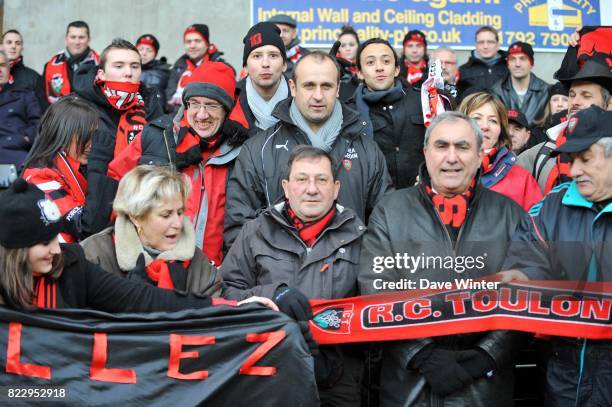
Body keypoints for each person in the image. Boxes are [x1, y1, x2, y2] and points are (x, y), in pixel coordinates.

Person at [359, 111, 526, 407]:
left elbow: (526, 296)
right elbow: (377, 290)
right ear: (426, 152)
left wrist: (484, 357)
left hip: (484, 389)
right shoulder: (390, 210)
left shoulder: (510, 214)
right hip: (408, 386)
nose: (452, 157)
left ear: (479, 156)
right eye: (441, 146)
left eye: (462, 147)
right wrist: (422, 355)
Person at [0, 178, 277, 314]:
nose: (57, 249)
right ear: (15, 248)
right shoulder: (94, 250)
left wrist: (234, 306)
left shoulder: (72, 266)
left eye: (55, 239)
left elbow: (146, 300)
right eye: (44, 243)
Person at [222, 145, 366, 406]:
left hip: (337, 381)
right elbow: (226, 292)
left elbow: (374, 307)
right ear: (286, 187)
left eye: (321, 180)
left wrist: (338, 360)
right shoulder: (255, 232)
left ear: (336, 188)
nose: (312, 189)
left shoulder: (360, 237)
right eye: (302, 179)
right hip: (266, 375)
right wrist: (272, 294)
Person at [500, 105, 612, 407]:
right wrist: (522, 280)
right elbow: (528, 261)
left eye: (586, 159)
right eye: (571, 160)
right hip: (563, 364)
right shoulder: (551, 207)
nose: (574, 171)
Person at [224, 51, 392, 248]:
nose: (318, 96)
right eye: (309, 86)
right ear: (293, 87)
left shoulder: (367, 151)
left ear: (338, 88)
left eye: (326, 86)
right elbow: (239, 229)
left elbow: (385, 226)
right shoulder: (258, 150)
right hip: (279, 277)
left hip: (349, 275)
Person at [108, 62, 247, 266]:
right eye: (194, 103)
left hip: (214, 274)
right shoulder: (155, 136)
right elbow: (116, 189)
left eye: (211, 105)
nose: (201, 114)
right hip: (151, 268)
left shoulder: (243, 152)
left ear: (227, 110)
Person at [81, 165, 222, 297]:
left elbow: (215, 314)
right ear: (136, 217)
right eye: (166, 215)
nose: (178, 224)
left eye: (180, 213)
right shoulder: (94, 255)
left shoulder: (198, 263)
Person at [21, 96, 117, 243]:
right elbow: (86, 227)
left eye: (94, 136)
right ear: (61, 134)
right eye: (84, 136)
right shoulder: (38, 176)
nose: (91, 145)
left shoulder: (84, 168)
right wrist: (99, 166)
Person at [517, 61, 611, 193]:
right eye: (572, 95)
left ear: (609, 104)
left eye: (586, 95)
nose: (574, 102)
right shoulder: (540, 154)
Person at [351, 38, 426, 189]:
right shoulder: (350, 112)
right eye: (370, 62)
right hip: (374, 203)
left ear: (397, 69)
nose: (379, 68)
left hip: (421, 198)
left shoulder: (422, 102)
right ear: (359, 72)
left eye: (386, 61)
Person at [72, 38, 164, 160]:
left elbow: (161, 154)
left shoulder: (151, 103)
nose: (128, 72)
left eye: (135, 66)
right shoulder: (76, 105)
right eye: (119, 66)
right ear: (101, 74)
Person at [458, 92, 542, 211]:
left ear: (501, 130)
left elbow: (535, 226)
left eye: (493, 120)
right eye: (477, 118)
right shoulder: (440, 170)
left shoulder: (522, 179)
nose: (485, 126)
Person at [231, 22, 289, 135]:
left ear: (284, 65)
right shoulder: (231, 100)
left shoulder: (300, 98)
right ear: (245, 66)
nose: (265, 64)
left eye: (273, 55)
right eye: (257, 56)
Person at [166, 24, 230, 113]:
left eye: (197, 41)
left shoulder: (220, 68)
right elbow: (169, 98)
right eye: (188, 41)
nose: (192, 45)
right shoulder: (178, 67)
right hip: (175, 119)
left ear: (207, 44)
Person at [42, 21, 99, 106]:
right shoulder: (50, 66)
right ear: (66, 39)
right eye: (73, 37)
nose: (77, 42)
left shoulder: (99, 65)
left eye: (81, 37)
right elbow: (44, 99)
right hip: (60, 115)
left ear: (89, 39)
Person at [0, 50, 41, 169]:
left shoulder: (24, 94)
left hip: (18, 150)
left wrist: (25, 138)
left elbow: (38, 124)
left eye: (2, 65)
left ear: (9, 68)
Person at [492, 42, 549, 125]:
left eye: (522, 59)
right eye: (512, 59)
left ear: (531, 63)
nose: (517, 64)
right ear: (507, 64)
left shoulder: (546, 91)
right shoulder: (497, 91)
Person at [459, 26, 508, 98]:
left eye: (490, 42)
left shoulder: (509, 68)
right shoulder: (463, 71)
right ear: (476, 45)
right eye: (481, 42)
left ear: (498, 45)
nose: (485, 46)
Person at [1, 30, 43, 106]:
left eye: (17, 43)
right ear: (1, 47)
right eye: (9, 42)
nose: (13, 46)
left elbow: (40, 111)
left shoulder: (34, 78)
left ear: (22, 49)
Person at [268, 14, 310, 79]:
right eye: (277, 31)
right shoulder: (261, 55)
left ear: (294, 34)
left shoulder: (306, 57)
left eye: (285, 31)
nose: (281, 35)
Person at [136, 34, 170, 111]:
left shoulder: (165, 73)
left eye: (149, 50)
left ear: (155, 54)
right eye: (141, 49)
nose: (144, 53)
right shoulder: (126, 70)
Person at [529, 82, 569, 147]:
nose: (560, 104)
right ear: (549, 104)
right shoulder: (537, 132)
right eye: (555, 100)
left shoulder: (578, 128)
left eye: (565, 100)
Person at [329, 25, 360, 101]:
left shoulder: (366, 68)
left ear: (358, 46)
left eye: (351, 45)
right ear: (338, 49)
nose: (348, 48)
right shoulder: (333, 66)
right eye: (343, 45)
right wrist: (329, 67)